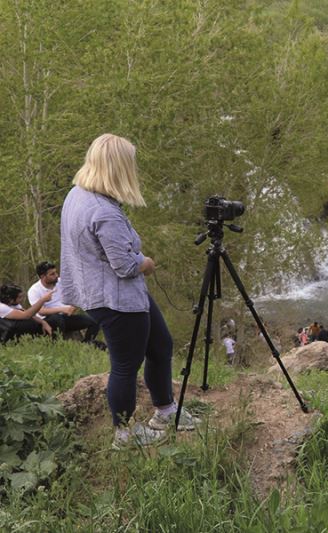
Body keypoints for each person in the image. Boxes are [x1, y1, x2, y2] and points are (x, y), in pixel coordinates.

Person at [60, 133, 198, 450]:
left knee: (161, 344)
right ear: (119, 168)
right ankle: (124, 434)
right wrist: (146, 262)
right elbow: (124, 266)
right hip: (116, 300)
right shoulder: (104, 212)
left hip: (101, 292)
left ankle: (165, 411)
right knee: (125, 366)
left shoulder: (77, 195)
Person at [28, 261, 100, 344]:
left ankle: (87, 344)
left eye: (56, 272)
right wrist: (62, 309)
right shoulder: (34, 290)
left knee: (95, 320)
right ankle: (57, 345)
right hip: (47, 321)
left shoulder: (61, 282)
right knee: (57, 318)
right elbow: (40, 311)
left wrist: (73, 306)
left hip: (66, 318)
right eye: (52, 274)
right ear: (43, 276)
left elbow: (76, 295)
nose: (56, 275)